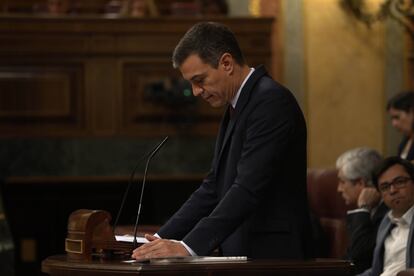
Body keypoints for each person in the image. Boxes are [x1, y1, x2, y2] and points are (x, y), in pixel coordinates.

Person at [132, 22, 310, 259]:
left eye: (200, 80)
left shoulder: (271, 101)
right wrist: (162, 238)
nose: (196, 92)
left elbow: (247, 188)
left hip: (272, 256)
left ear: (226, 63)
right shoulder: (238, 104)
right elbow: (214, 187)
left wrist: (187, 247)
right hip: (247, 252)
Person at [358, 157, 414, 276]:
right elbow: (378, 271)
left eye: (400, 182)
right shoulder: (386, 222)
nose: (393, 190)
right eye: (385, 187)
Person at [336, 147, 388, 274]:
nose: (339, 189)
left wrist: (363, 209)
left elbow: (359, 256)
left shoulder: (388, 212)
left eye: (343, 182)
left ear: (360, 183)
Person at [387, 91, 414, 161]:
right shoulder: (404, 142)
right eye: (392, 118)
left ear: (411, 112)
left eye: (397, 117)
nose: (394, 124)